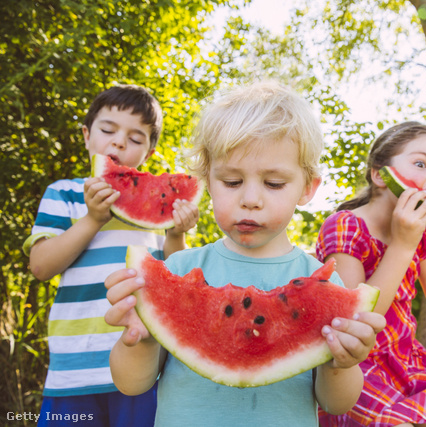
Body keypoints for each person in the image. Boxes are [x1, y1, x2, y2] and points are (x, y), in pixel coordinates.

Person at [102, 81, 387, 426]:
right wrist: (140, 340)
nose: (250, 199)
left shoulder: (326, 284)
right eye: (232, 182)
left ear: (307, 188)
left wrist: (342, 363)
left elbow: (336, 403)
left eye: (274, 183)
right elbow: (131, 384)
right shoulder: (176, 268)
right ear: (207, 180)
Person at [23, 84, 200, 427]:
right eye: (108, 130)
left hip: (142, 367)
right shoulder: (64, 194)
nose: (119, 142)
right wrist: (92, 219)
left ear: (148, 154)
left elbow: (176, 280)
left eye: (136, 139)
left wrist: (176, 233)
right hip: (73, 373)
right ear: (88, 136)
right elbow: (41, 266)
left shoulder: (154, 207)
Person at [315, 121, 426, 426]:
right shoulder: (346, 225)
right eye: (421, 163)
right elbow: (354, 320)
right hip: (355, 366)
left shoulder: (422, 231)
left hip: (408, 359)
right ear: (379, 175)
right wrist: (402, 245)